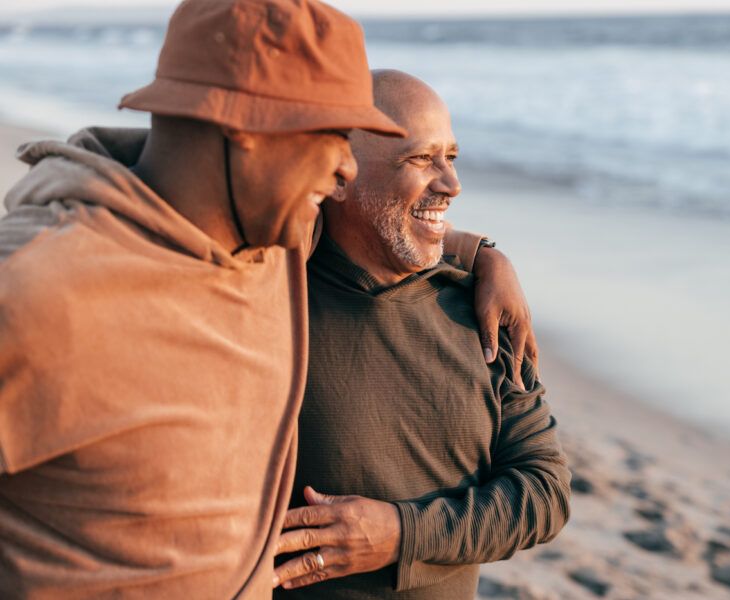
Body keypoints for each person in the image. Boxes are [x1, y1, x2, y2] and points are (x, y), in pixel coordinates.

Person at [0, 2, 534, 598]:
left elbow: (380, 223)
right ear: (246, 131)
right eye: (333, 136)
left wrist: (481, 251)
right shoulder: (36, 294)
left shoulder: (275, 242)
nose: (345, 168)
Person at [272, 70, 570, 599]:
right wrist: (477, 248)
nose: (451, 184)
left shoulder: (483, 315)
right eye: (420, 159)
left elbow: (544, 493)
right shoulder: (271, 303)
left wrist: (402, 535)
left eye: (450, 157)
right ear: (339, 174)